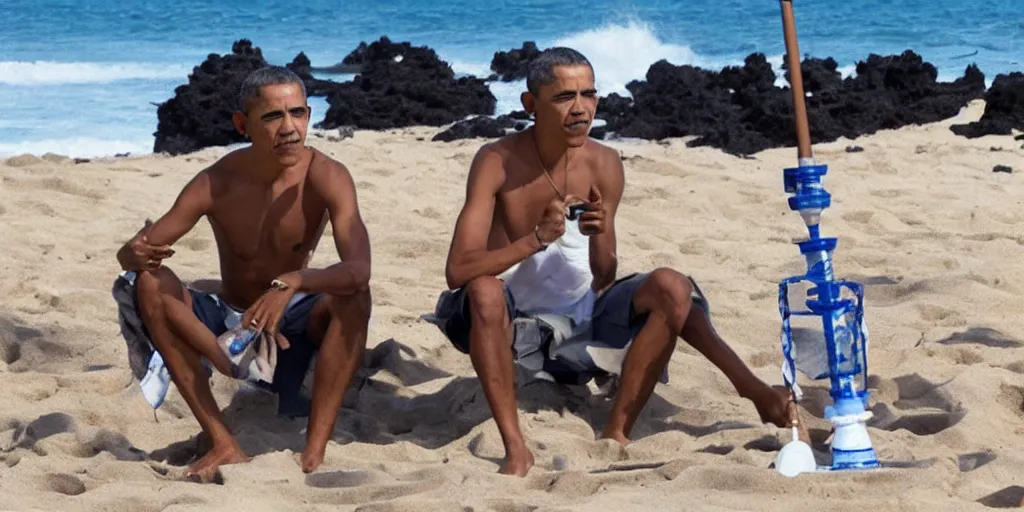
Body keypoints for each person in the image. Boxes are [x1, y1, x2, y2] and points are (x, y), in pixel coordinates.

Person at [428, 47, 802, 477]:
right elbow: (458, 269)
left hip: (583, 321)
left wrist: (598, 232)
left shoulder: (604, 162)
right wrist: (535, 239)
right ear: (531, 105)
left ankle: (617, 433)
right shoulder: (496, 161)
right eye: (564, 97)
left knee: (673, 287)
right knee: (483, 290)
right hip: (508, 321)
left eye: (589, 94)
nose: (580, 108)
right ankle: (516, 449)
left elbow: (604, 275)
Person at [111, 66, 372, 481]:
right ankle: (223, 439)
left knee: (356, 295)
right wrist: (130, 254)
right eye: (273, 117)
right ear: (242, 124)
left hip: (292, 323)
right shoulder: (216, 181)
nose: (289, 128)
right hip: (227, 319)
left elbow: (359, 269)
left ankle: (315, 450)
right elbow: (144, 251)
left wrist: (294, 282)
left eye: (298, 114)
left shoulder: (327, 175)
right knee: (148, 282)